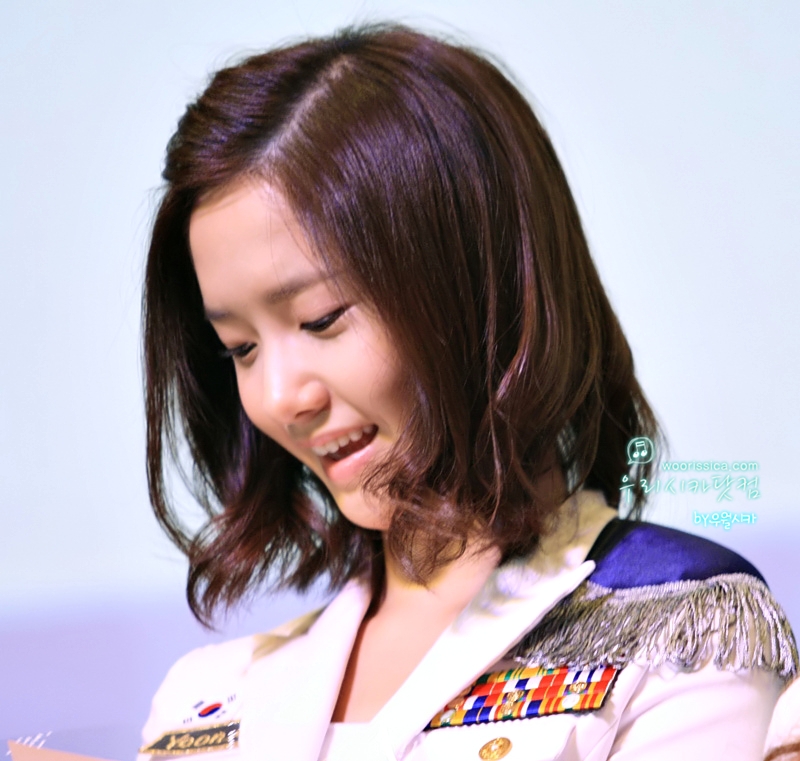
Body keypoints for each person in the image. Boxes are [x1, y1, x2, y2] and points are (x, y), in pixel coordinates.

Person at [138, 23, 797, 761]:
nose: (280, 396)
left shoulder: (680, 632)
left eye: (321, 319)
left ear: (476, 288)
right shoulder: (208, 697)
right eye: (242, 348)